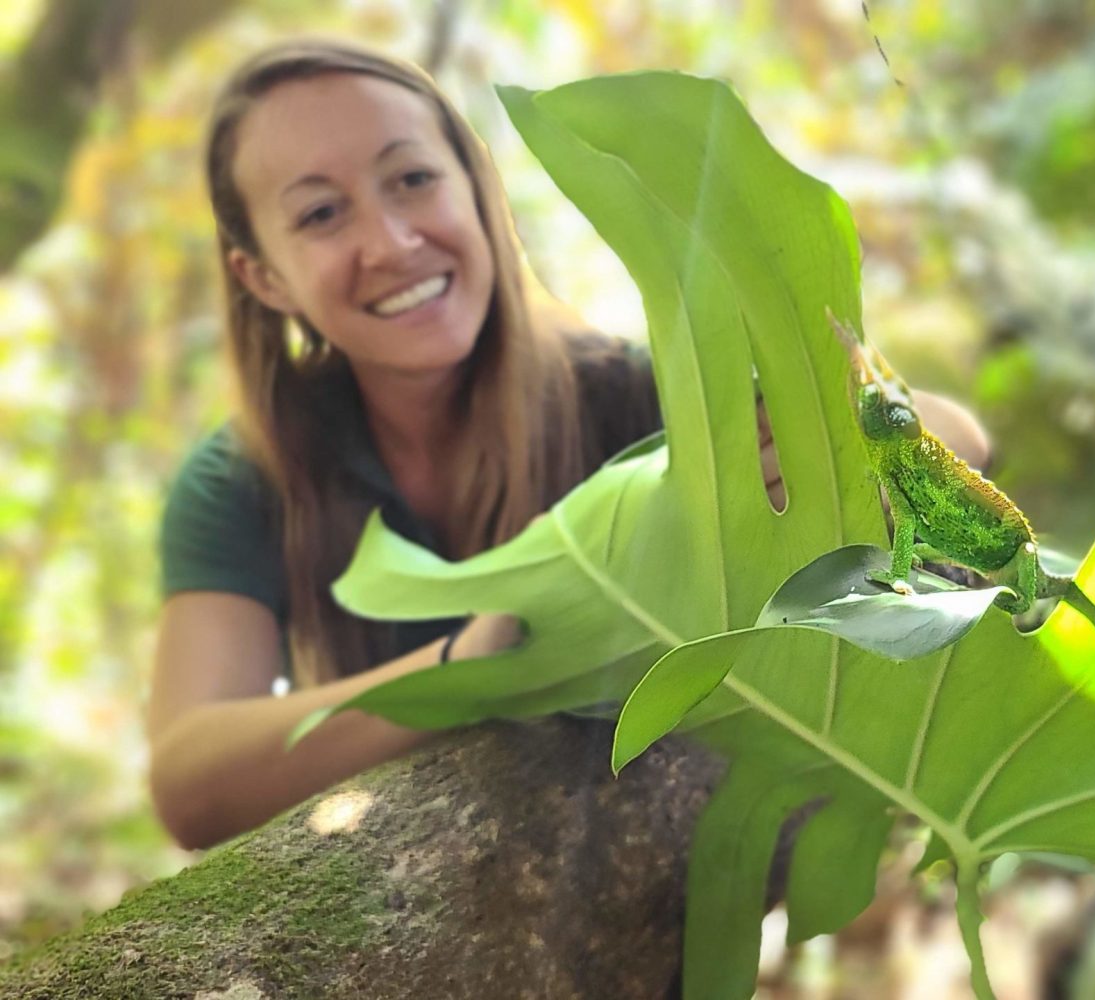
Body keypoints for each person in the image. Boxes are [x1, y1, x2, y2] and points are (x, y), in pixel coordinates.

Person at [148, 39, 989, 851]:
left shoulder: (617, 390)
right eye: (322, 213)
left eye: (412, 179)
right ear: (262, 276)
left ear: (477, 190)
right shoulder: (245, 478)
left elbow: (954, 436)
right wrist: (466, 665)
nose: (394, 241)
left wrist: (816, 466)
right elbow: (190, 783)